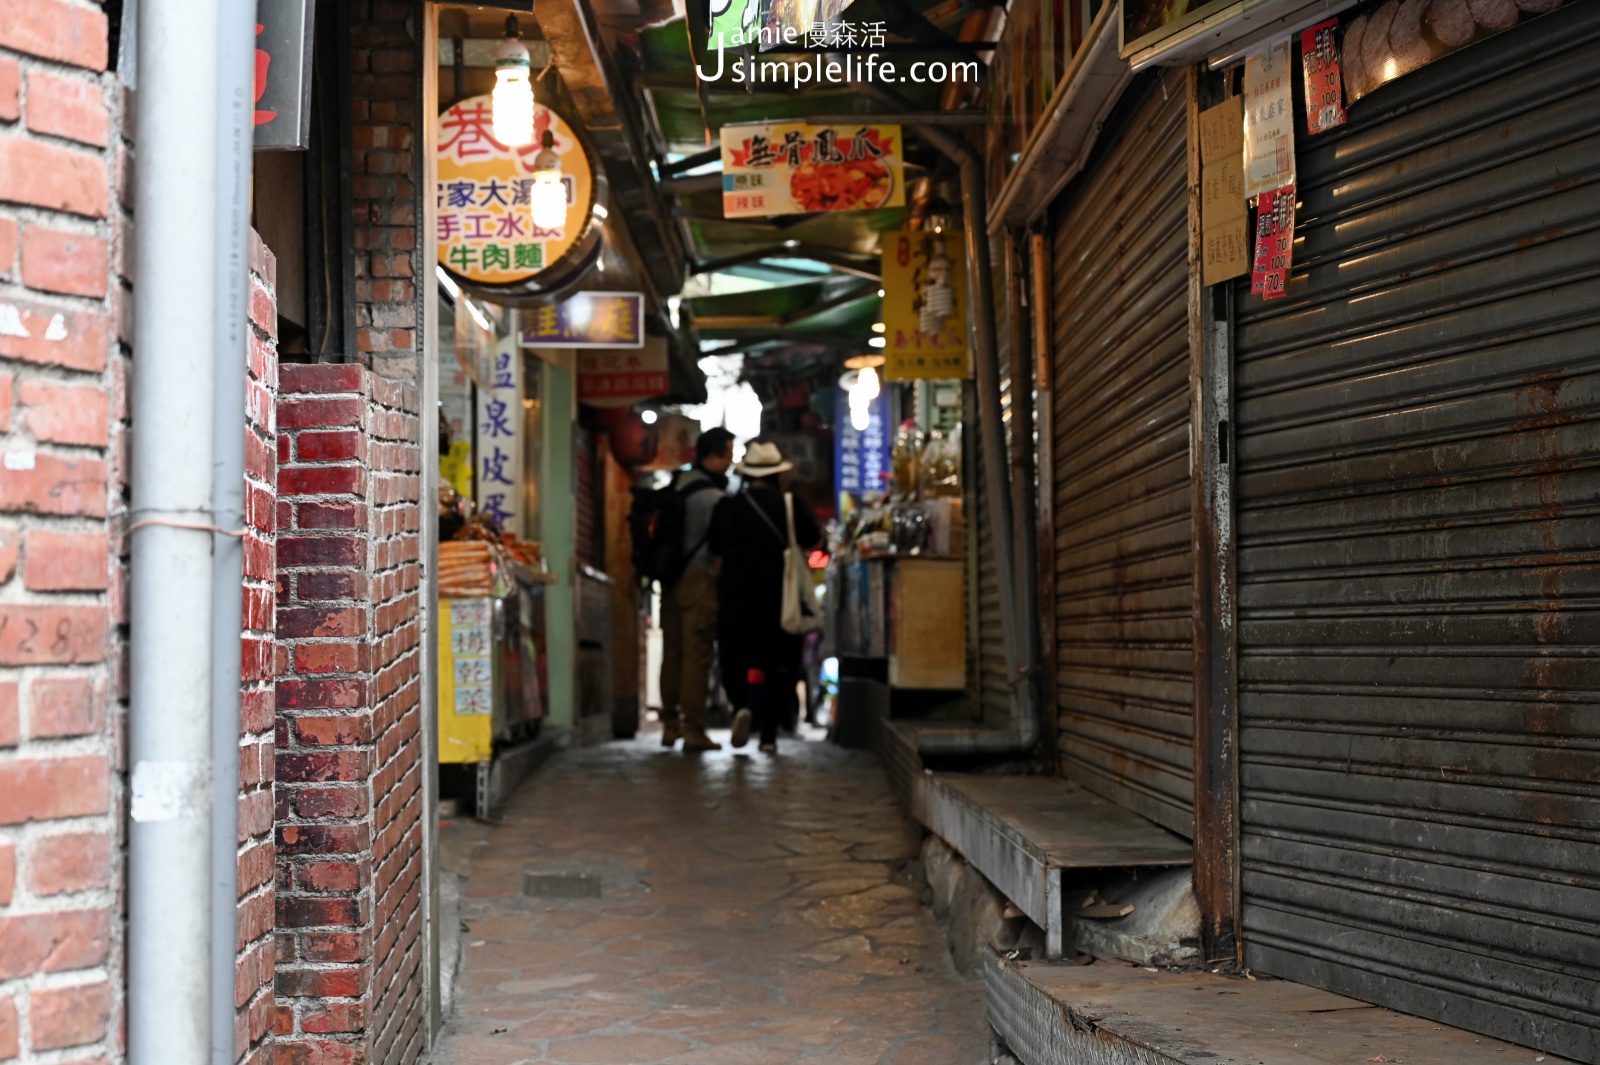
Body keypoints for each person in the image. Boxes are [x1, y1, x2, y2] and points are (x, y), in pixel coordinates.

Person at [709, 440, 822, 754]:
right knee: (779, 664)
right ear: (777, 475)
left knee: (734, 658)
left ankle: (741, 706)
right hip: (779, 596)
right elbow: (814, 541)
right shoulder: (790, 504)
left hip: (735, 595)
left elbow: (715, 553)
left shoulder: (727, 508)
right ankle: (770, 734)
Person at [657, 427, 735, 751]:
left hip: (670, 577)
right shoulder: (714, 499)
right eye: (729, 455)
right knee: (696, 656)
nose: (731, 462)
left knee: (672, 653)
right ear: (713, 457)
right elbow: (719, 549)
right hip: (699, 579)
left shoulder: (677, 485)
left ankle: (670, 726)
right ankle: (694, 729)